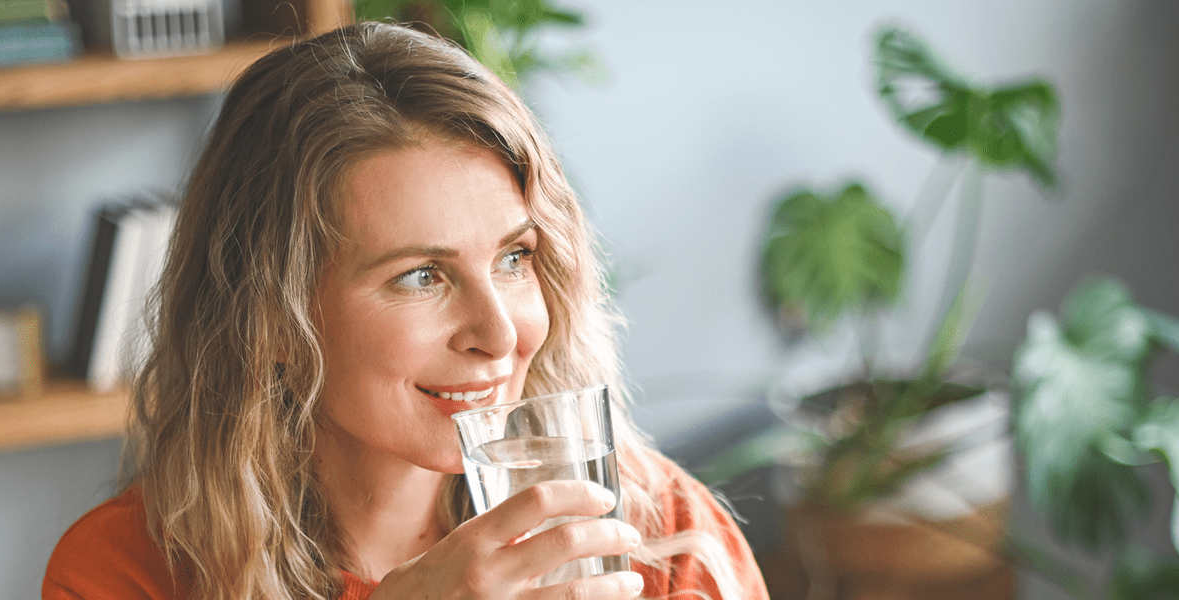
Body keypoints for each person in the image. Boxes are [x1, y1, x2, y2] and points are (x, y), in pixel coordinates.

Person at [43, 21, 769, 600]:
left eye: (514, 259)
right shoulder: (123, 575)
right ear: (271, 319)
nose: (500, 333)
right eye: (422, 276)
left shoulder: (659, 533)